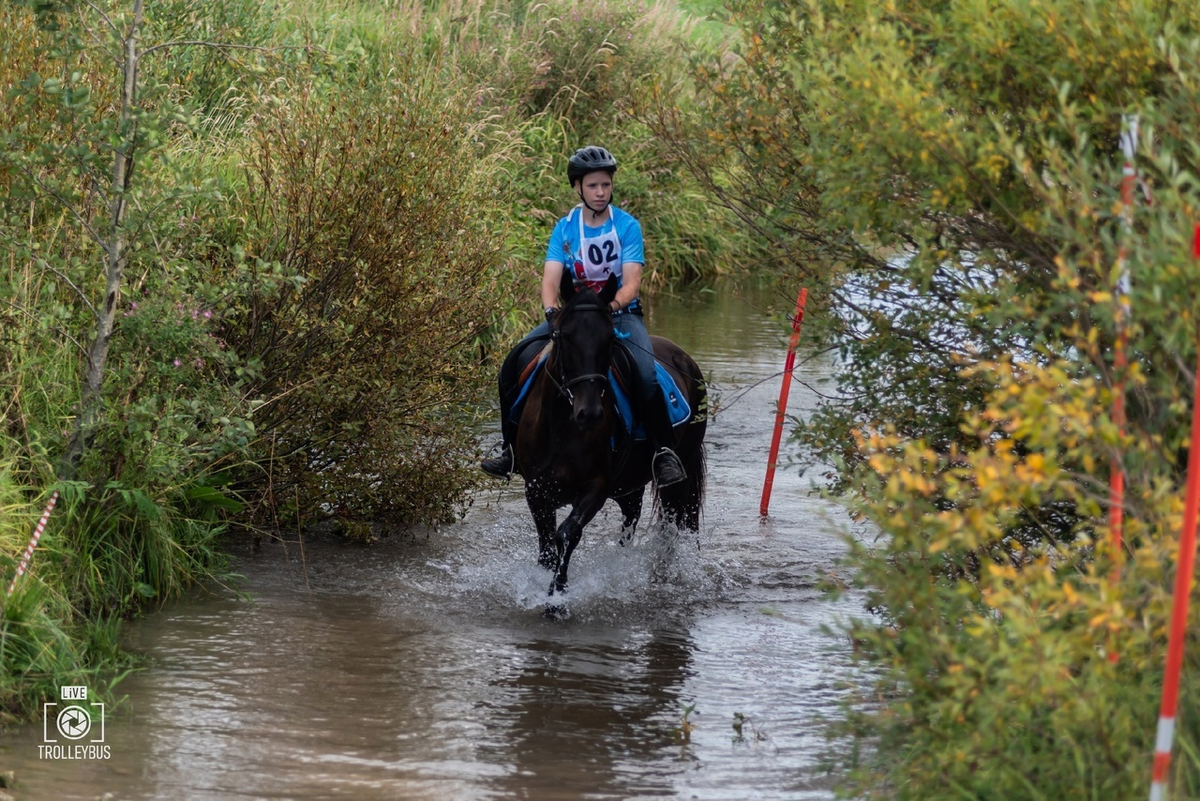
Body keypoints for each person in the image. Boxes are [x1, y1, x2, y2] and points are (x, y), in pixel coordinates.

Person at [481, 145, 687, 487]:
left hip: (618, 315)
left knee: (647, 375)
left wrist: (608, 309)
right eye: (593, 185)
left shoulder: (627, 226)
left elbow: (632, 283)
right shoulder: (564, 229)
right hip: (572, 319)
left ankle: (662, 452)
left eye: (605, 185)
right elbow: (550, 280)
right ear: (578, 187)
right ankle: (511, 451)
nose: (600, 192)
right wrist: (551, 313)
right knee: (512, 363)